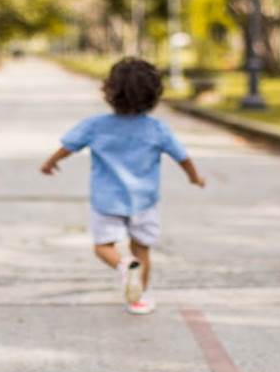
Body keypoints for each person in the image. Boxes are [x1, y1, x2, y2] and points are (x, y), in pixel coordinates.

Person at [40, 57, 205, 314]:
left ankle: (122, 263)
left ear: (109, 91)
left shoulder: (95, 126)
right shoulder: (157, 129)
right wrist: (195, 178)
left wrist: (50, 163)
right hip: (144, 201)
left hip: (107, 201)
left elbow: (67, 147)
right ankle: (139, 299)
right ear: (154, 95)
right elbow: (183, 157)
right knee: (142, 250)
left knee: (103, 247)